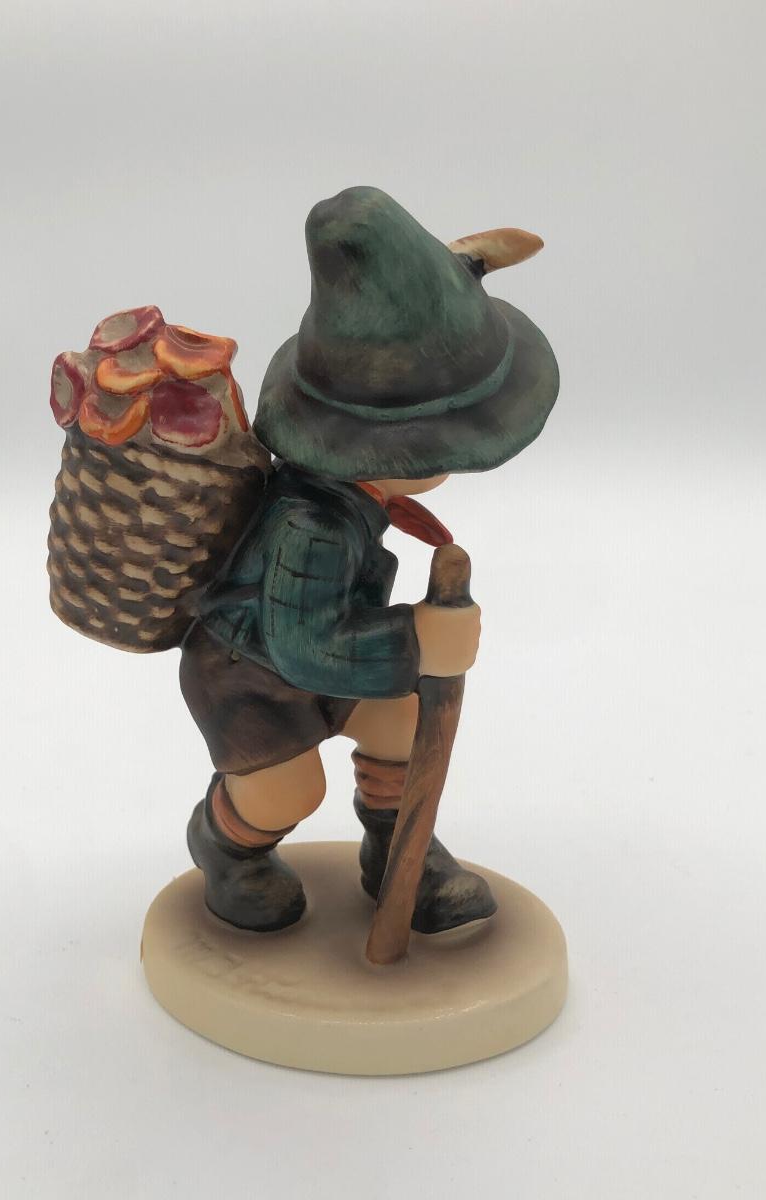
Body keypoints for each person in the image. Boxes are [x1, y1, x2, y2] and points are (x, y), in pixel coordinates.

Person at [180, 186, 559, 933]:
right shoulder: (311, 528)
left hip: (318, 649)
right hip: (250, 674)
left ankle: (398, 849)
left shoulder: (351, 500)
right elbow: (305, 643)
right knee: (288, 792)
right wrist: (420, 635)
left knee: (402, 719)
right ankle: (226, 846)